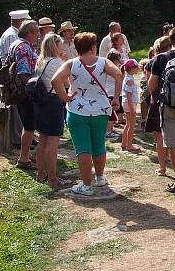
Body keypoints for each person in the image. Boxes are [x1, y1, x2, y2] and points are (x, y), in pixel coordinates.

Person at [51, 32, 122, 196]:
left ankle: (87, 186)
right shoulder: (104, 62)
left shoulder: (71, 63)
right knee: (98, 145)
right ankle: (100, 177)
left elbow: (55, 80)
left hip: (77, 111)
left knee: (83, 148)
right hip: (100, 111)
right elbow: (118, 74)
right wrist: (116, 98)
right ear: (92, 47)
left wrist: (65, 97)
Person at [148, 27, 175, 194]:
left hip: (168, 107)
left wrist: (158, 97)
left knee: (174, 145)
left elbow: (152, 83)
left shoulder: (160, 58)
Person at [32, 33, 66, 187]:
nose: (62, 47)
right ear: (55, 46)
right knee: (53, 141)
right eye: (60, 45)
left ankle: (40, 173)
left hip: (40, 102)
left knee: (42, 139)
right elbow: (66, 82)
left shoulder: (40, 61)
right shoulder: (57, 62)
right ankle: (52, 177)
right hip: (53, 101)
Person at [10, 20, 40, 169]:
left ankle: (26, 154)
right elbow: (23, 73)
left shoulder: (18, 44)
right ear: (29, 33)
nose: (39, 35)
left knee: (28, 126)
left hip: (23, 92)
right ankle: (23, 160)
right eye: (37, 32)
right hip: (25, 93)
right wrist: (33, 91)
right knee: (29, 126)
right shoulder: (22, 47)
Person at [0, 9, 31, 147]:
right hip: (14, 79)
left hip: (14, 77)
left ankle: (25, 137)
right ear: (21, 22)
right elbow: (13, 62)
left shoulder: (11, 34)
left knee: (20, 110)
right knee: (17, 110)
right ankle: (18, 139)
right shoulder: (12, 36)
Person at [144, 36, 171, 176]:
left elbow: (149, 83)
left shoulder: (153, 61)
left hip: (158, 100)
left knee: (159, 135)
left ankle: (162, 167)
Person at [120, 59, 141, 152]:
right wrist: (132, 108)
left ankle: (124, 144)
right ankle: (129, 145)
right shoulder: (129, 80)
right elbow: (128, 95)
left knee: (128, 124)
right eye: (136, 67)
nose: (138, 69)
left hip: (128, 104)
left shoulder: (128, 78)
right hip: (129, 104)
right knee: (131, 125)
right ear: (132, 68)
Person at [105, 49, 123, 138]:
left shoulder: (106, 67)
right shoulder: (116, 69)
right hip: (114, 93)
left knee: (111, 114)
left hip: (108, 92)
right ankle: (108, 131)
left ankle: (110, 129)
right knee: (111, 115)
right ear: (116, 60)